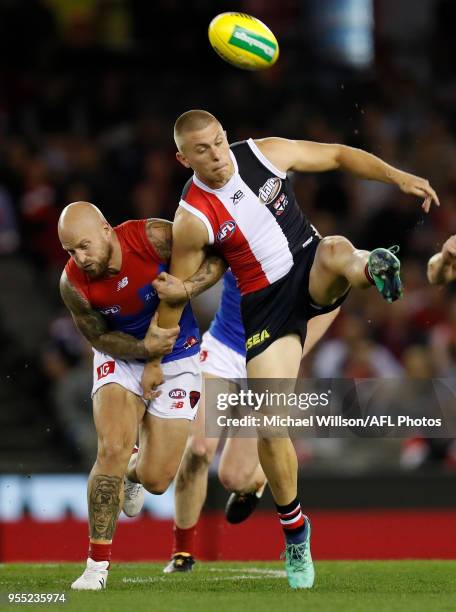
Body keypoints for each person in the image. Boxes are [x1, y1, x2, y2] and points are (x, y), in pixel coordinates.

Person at [142, 110, 439, 589]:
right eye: (203, 150)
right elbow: (178, 292)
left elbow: (339, 155)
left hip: (311, 269)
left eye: (219, 141)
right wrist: (158, 359)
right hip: (263, 314)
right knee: (267, 429)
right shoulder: (193, 220)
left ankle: (373, 266)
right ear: (183, 158)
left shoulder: (262, 153)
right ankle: (295, 532)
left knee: (335, 247)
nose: (218, 154)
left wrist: (397, 176)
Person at [57, 201, 226, 590]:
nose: (79, 258)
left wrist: (187, 287)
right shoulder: (72, 284)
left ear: (105, 229)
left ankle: (133, 471)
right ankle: (96, 566)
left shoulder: (151, 237)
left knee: (156, 480)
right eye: (70, 251)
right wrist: (143, 350)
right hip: (122, 355)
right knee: (111, 448)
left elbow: (216, 260)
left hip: (180, 355)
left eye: (84, 246)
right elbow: (98, 336)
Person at [153, 269, 340, 573]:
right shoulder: (233, 231)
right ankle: (182, 553)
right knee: (199, 448)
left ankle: (255, 481)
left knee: (233, 478)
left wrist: (293, 352)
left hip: (268, 360)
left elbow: (334, 300)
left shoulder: (303, 245)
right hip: (223, 350)